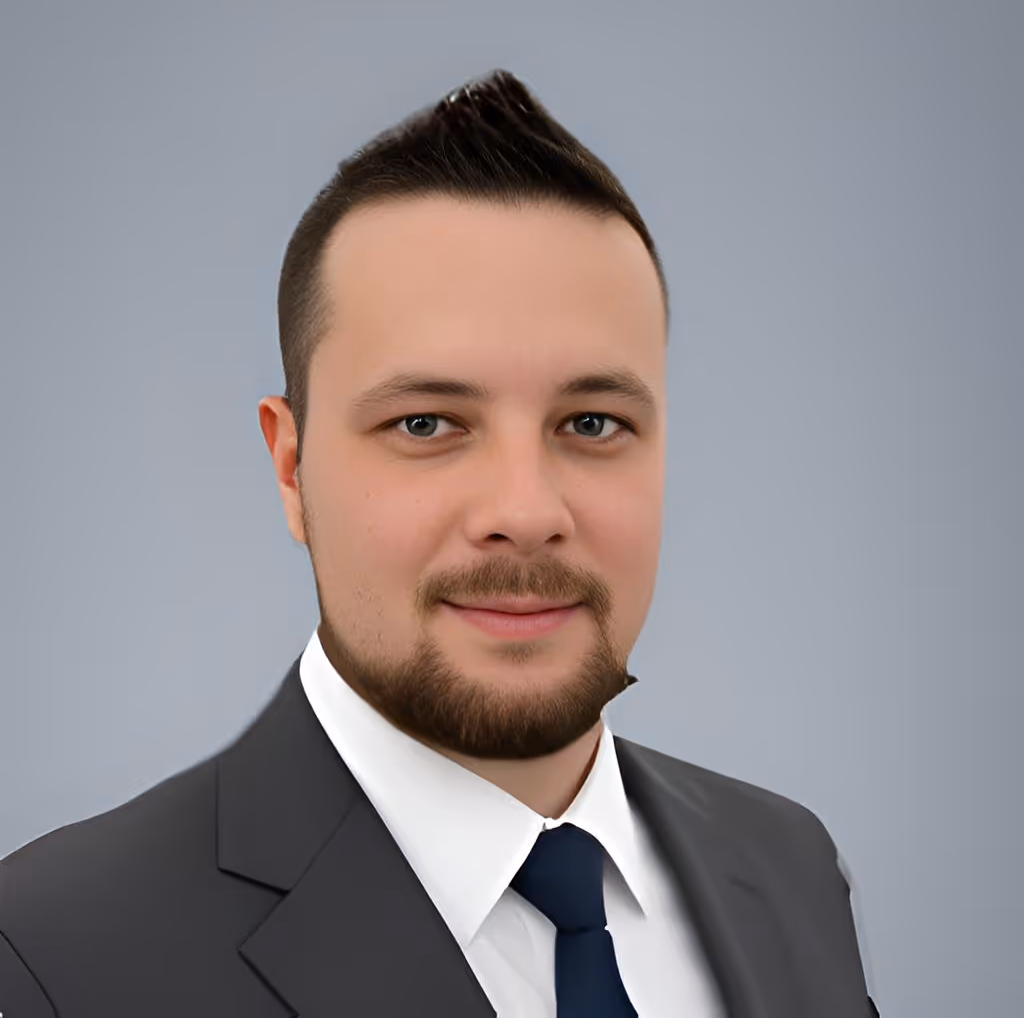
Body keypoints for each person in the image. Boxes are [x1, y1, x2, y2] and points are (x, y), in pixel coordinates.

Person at [0, 69, 878, 1017]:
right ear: (292, 470)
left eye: (590, 424)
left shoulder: (791, 870)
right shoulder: (53, 954)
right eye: (427, 424)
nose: (525, 509)